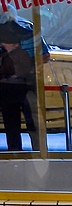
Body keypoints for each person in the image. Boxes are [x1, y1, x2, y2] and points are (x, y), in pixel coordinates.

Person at [0, 24, 34, 152]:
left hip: (16, 92)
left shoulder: (19, 55)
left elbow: (22, 71)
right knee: (12, 124)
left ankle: (16, 149)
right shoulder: (8, 55)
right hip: (11, 92)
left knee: (14, 123)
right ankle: (14, 148)